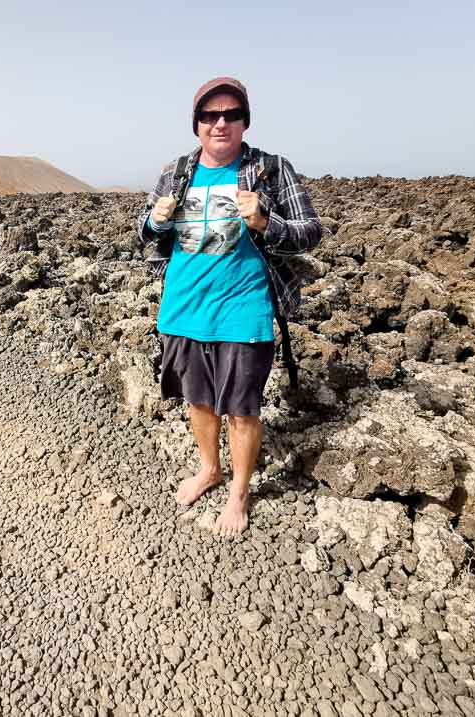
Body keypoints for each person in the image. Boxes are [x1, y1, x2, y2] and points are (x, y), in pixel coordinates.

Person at [136, 77, 324, 536]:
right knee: (198, 400)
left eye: (230, 115)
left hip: (245, 308)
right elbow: (146, 236)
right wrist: (153, 220)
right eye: (210, 115)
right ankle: (210, 468)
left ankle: (240, 491)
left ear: (244, 121)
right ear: (197, 123)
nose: (220, 123)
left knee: (242, 407)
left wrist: (265, 221)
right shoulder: (176, 171)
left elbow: (311, 232)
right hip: (183, 306)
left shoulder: (271, 169)